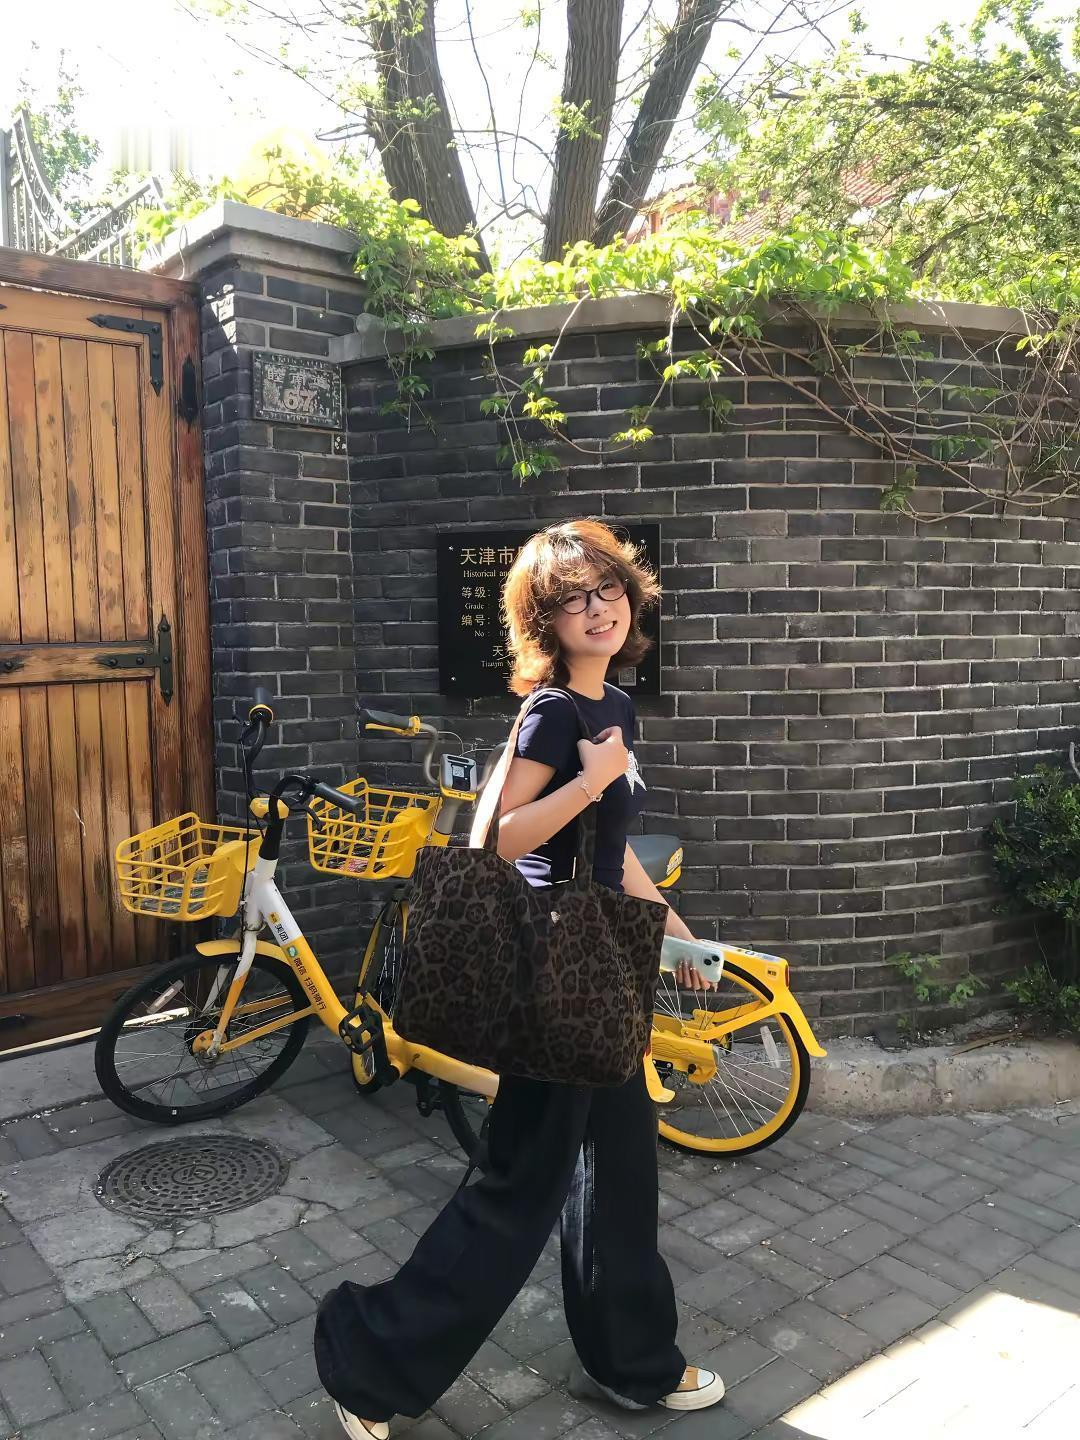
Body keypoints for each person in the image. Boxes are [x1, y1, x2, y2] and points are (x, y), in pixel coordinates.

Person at [315, 519, 725, 1440]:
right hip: (554, 978)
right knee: (518, 1190)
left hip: (603, 975)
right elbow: (501, 840)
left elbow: (611, 854)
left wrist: (679, 936)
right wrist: (587, 783)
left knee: (622, 1180)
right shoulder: (553, 712)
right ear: (547, 621)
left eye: (608, 589)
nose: (598, 608)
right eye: (573, 598)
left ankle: (632, 1364)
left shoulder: (614, 707)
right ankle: (368, 1364)